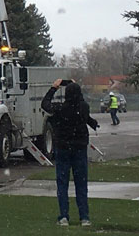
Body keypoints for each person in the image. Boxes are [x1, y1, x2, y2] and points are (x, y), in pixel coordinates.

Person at [41, 79, 98, 227]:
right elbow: (82, 104)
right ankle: (84, 217)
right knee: (81, 184)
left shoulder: (60, 108)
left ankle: (64, 216)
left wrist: (53, 88)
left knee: (62, 184)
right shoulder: (84, 107)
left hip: (63, 148)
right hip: (79, 148)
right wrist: (74, 85)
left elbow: (45, 104)